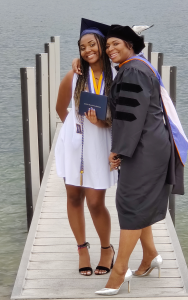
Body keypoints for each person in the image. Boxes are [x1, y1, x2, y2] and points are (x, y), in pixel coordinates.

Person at [95, 24, 188, 295]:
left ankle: (119, 272)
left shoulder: (132, 70)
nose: (110, 49)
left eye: (116, 44)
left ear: (130, 44)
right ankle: (150, 257)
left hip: (144, 146)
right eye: (107, 45)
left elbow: (131, 116)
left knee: (131, 203)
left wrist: (119, 150)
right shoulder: (137, 66)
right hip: (149, 143)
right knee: (138, 202)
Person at [55, 18, 119, 276]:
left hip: (101, 144)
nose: (87, 50)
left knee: (95, 201)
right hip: (75, 143)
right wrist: (76, 129)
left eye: (92, 44)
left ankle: (107, 249)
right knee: (73, 197)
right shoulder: (75, 75)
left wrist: (102, 125)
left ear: (102, 46)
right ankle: (82, 249)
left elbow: (122, 116)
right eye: (82, 47)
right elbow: (61, 109)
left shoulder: (117, 75)